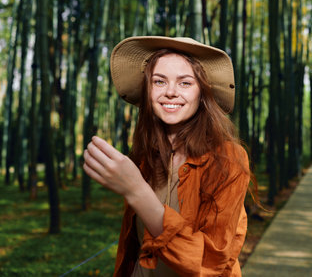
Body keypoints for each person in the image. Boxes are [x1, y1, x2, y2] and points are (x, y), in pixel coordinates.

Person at [82, 36, 253, 276]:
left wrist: (136, 191)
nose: (170, 92)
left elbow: (212, 260)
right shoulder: (144, 158)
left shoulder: (228, 159)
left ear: (202, 93)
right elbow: (135, 247)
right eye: (159, 81)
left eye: (185, 83)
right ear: (147, 90)